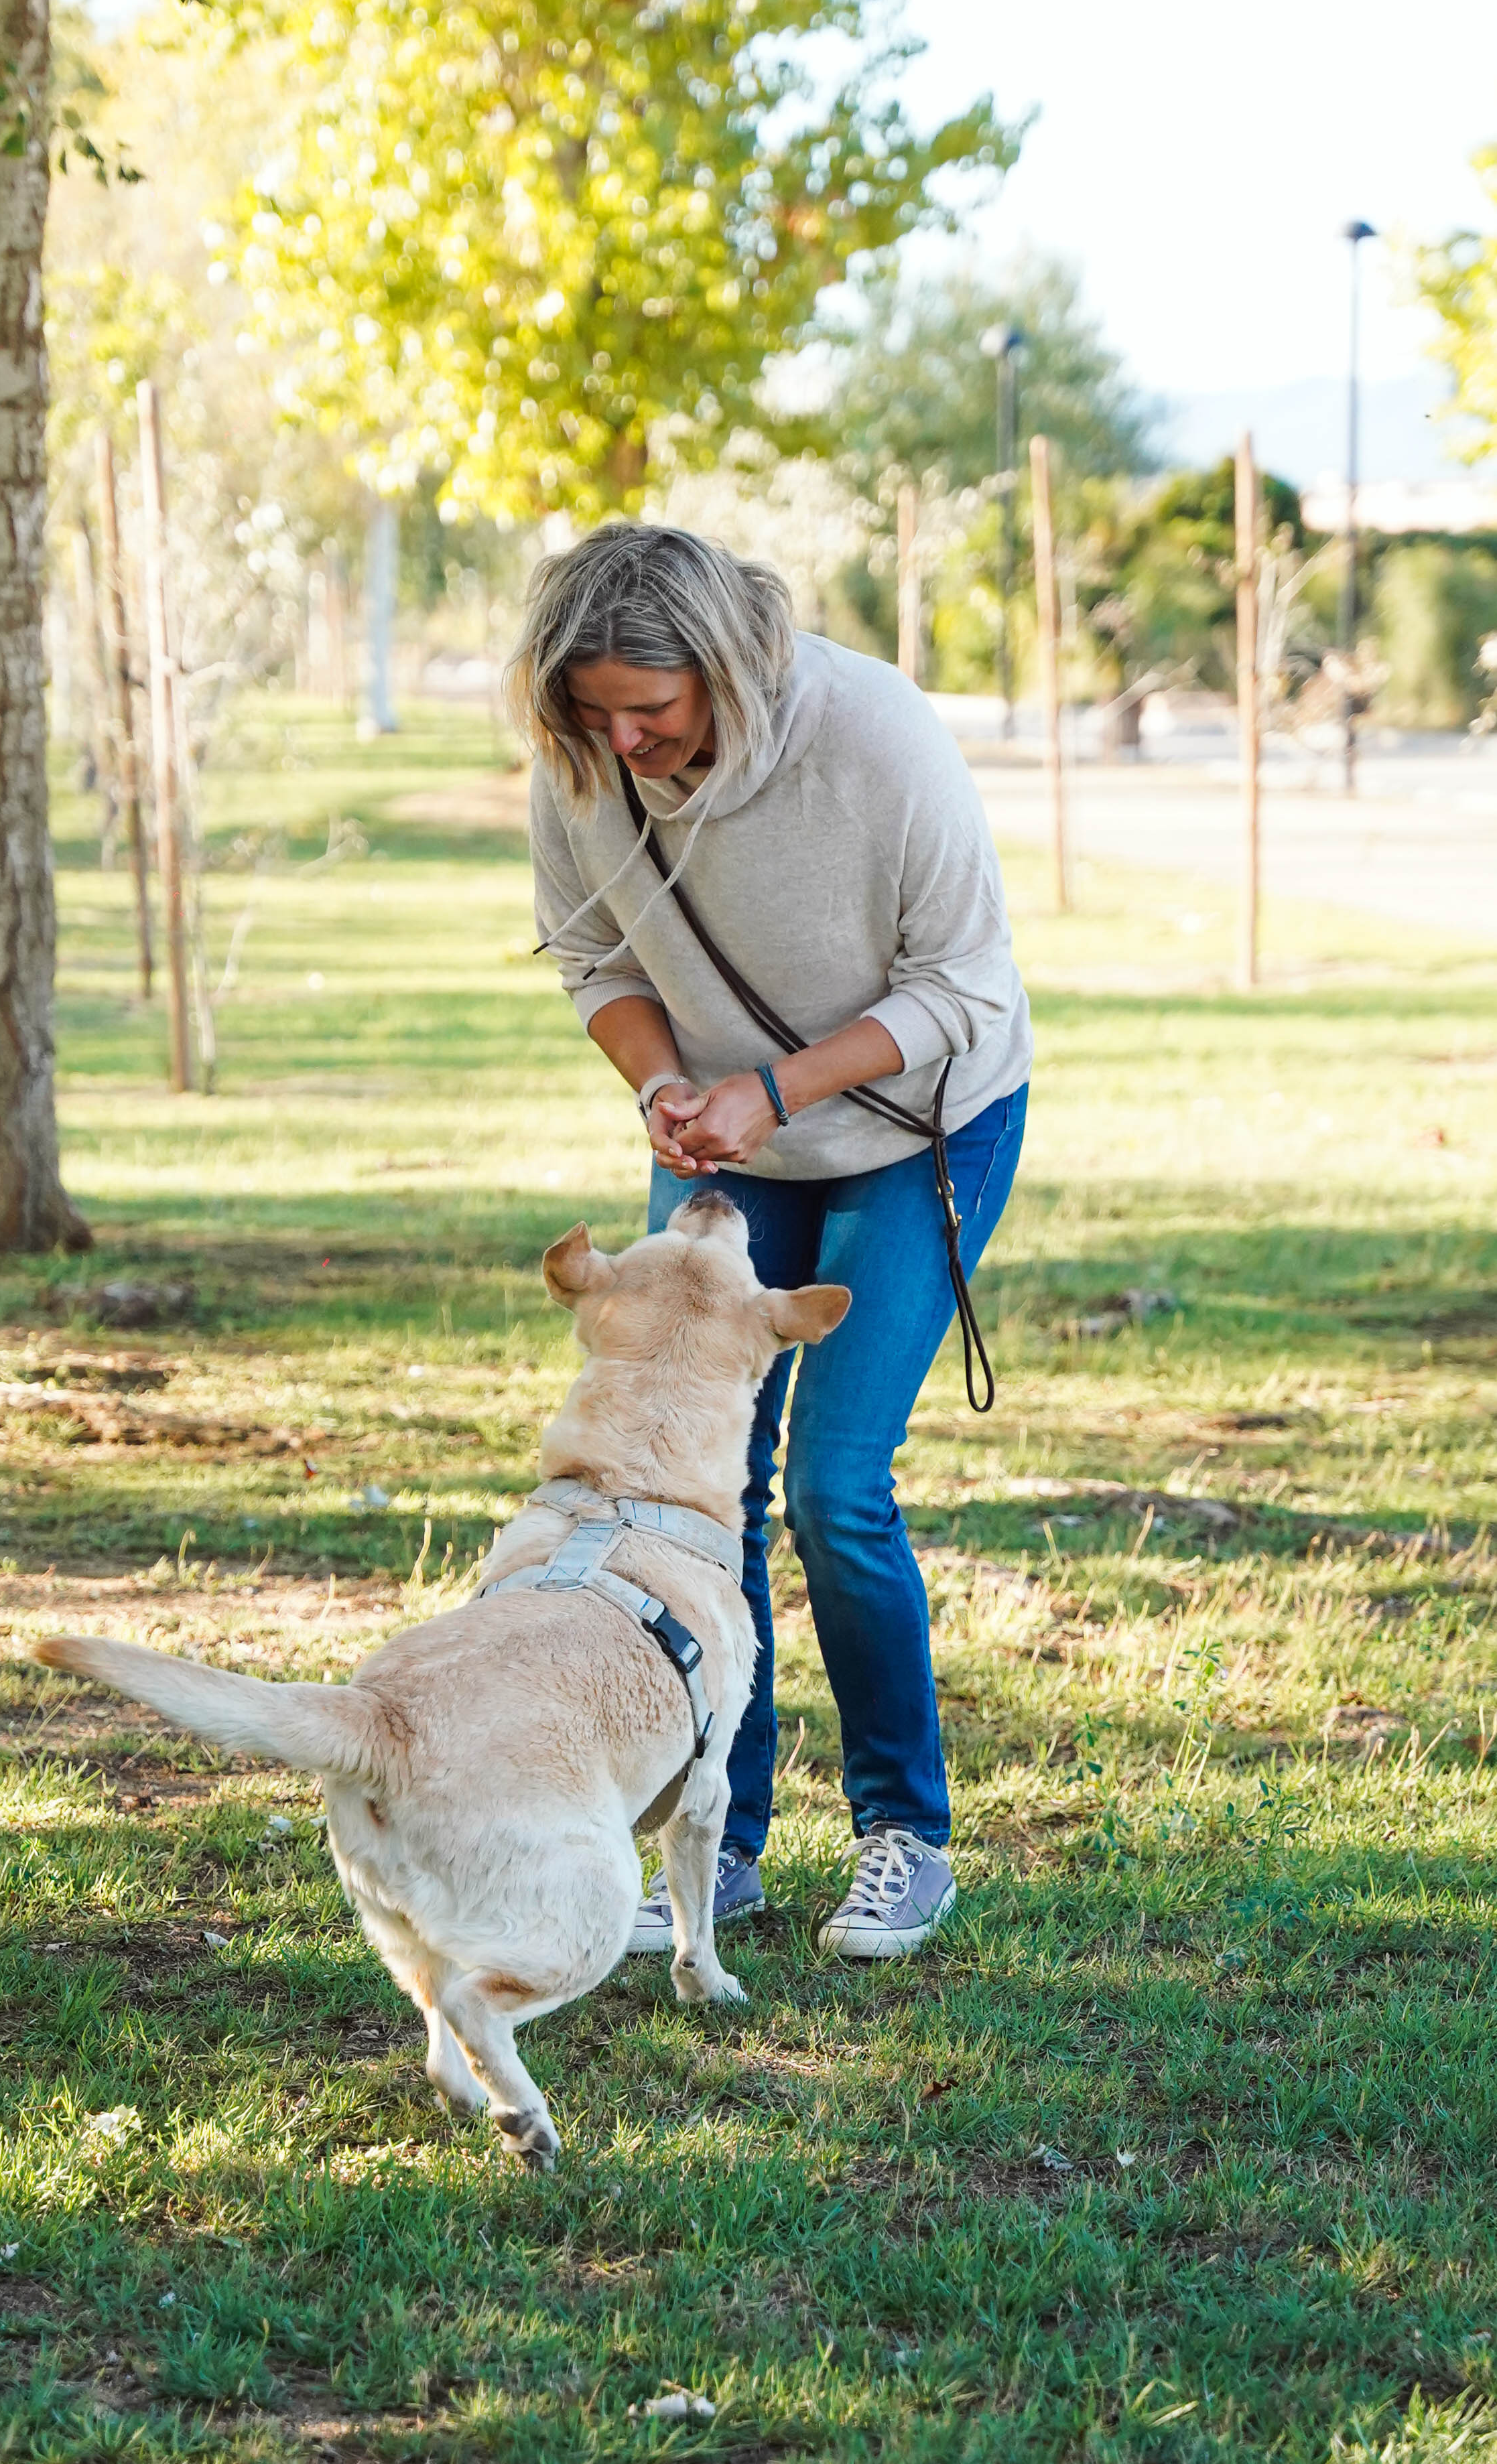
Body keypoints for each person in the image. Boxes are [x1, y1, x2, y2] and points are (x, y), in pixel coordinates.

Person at [505, 520, 1032, 1959]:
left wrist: (774, 1091)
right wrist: (662, 1089)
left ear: (724, 670)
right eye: (593, 714)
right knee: (692, 1490)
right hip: (731, 1141)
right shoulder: (583, 758)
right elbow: (595, 955)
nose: (622, 744)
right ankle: (716, 1842)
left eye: (648, 710)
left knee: (833, 1488)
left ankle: (903, 1837)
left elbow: (966, 986)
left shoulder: (874, 735)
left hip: (919, 1125)